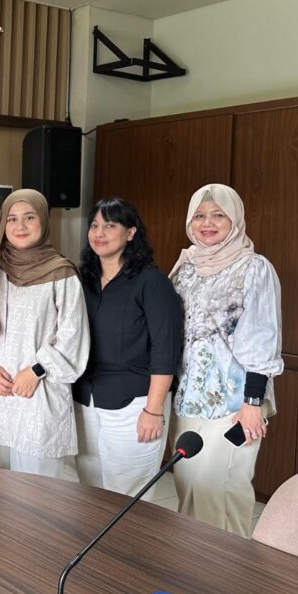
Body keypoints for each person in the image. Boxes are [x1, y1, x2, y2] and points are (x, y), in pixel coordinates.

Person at [169, 183, 283, 537]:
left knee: (220, 492)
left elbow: (262, 336)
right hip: (188, 400)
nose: (208, 223)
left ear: (235, 220)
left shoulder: (253, 268)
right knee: (190, 487)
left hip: (234, 404)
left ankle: (228, 567)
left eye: (218, 215)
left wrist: (253, 403)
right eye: (200, 215)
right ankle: (190, 562)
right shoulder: (186, 267)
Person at [72, 198, 181, 496]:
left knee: (127, 497)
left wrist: (153, 410)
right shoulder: (83, 280)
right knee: (89, 493)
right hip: (85, 401)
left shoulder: (152, 283)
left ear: (131, 233)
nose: (99, 233)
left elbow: (165, 350)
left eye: (110, 225)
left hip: (133, 405)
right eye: (94, 225)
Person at [0, 190, 89, 478]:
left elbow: (73, 335)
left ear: (43, 221)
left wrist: (37, 370)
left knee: (41, 488)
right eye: (12, 219)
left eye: (30, 217)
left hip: (40, 394)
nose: (21, 226)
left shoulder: (61, 273)